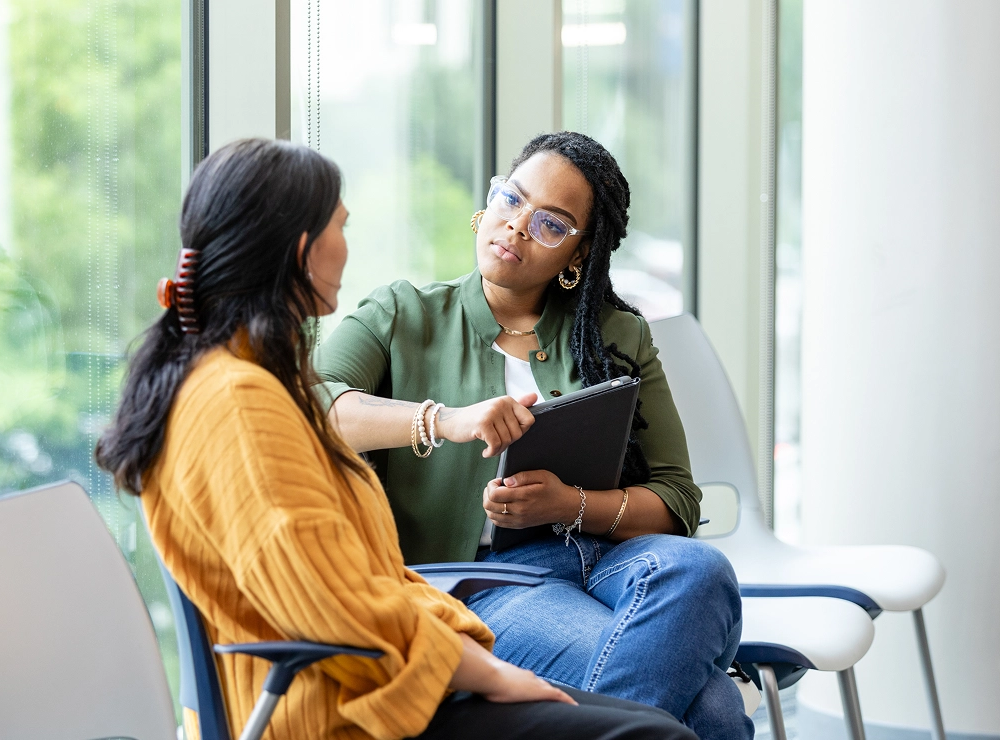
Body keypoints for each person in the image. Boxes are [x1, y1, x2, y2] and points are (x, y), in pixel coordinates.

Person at [95, 138, 695, 740]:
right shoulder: (242, 401)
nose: (515, 225)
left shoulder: (245, 387)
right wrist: (483, 670)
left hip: (392, 666)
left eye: (549, 222)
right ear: (304, 250)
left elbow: (350, 583)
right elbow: (331, 603)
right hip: (351, 702)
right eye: (341, 227)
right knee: (668, 726)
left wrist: (467, 647)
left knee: (693, 625)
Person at [315, 132, 753, 739]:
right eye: (511, 200)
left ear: (579, 254)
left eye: (551, 224)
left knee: (701, 572)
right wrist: (448, 419)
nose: (518, 226)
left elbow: (678, 499)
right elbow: (313, 406)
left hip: (609, 560)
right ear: (487, 202)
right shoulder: (402, 313)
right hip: (482, 581)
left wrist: (568, 505)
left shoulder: (617, 335)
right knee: (711, 706)